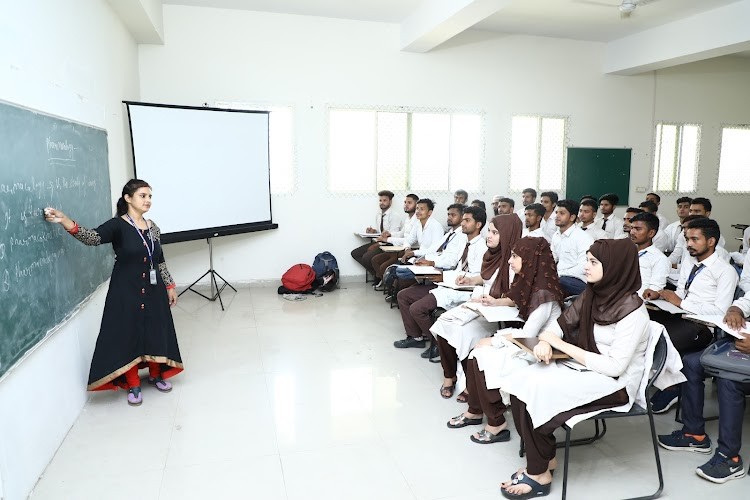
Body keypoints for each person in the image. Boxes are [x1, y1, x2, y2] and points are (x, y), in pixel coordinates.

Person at [500, 239, 650, 499]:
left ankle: (538, 473)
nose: (585, 268)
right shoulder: (592, 294)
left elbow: (615, 366)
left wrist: (561, 346)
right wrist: (547, 340)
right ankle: (546, 459)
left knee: (537, 389)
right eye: (587, 260)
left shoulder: (634, 312)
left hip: (616, 384)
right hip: (586, 368)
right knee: (519, 380)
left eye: (593, 262)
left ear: (615, 267)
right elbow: (558, 326)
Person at [44, 179, 183, 406]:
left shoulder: (153, 227)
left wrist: (169, 285)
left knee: (157, 328)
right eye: (143, 196)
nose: (148, 201)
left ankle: (156, 374)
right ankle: (133, 383)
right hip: (125, 290)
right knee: (126, 332)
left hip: (154, 289)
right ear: (128, 198)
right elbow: (92, 238)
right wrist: (64, 221)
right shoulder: (117, 225)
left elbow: (160, 259)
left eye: (150, 197)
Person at [444, 237, 563, 444]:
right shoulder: (532, 281)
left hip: (539, 350)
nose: (510, 261)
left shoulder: (544, 294)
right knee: (476, 354)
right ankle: (475, 411)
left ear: (530, 260)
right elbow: (516, 304)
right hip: (529, 342)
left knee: (484, 357)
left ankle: (496, 423)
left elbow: (528, 335)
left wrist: (495, 340)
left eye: (515, 256)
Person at [644, 218, 738, 413]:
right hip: (681, 316)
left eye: (695, 239)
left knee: (657, 340)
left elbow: (720, 311)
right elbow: (680, 293)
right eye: (687, 239)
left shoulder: (725, 271)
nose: (688, 244)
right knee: (642, 324)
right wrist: (660, 295)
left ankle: (671, 387)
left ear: (711, 242)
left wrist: (682, 303)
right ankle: (667, 383)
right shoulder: (689, 262)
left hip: (703, 327)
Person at [657, 291, 750, 484]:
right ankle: (694, 434)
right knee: (691, 363)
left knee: (729, 379)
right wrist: (735, 310)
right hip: (743, 347)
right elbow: (745, 301)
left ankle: (729, 458)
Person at [431, 214, 523, 402]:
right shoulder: (492, 254)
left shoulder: (516, 259)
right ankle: (450, 376)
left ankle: (470, 386)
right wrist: (470, 280)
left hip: (500, 313)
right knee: (443, 324)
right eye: (489, 231)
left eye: (495, 233)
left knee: (465, 334)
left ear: (507, 234)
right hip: (483, 305)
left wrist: (495, 301)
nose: (489, 236)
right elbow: (487, 277)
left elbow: (519, 297)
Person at [393, 207, 487, 358]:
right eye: (463, 220)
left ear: (478, 225)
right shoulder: (464, 242)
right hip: (448, 284)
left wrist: (443, 276)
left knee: (417, 308)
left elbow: (473, 277)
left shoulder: (482, 247)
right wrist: (433, 267)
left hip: (461, 291)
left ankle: (439, 344)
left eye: (467, 220)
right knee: (404, 295)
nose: (463, 223)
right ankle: (415, 337)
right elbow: (453, 263)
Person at [351, 190, 405, 275]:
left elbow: (393, 236)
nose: (382, 203)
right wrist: (374, 231)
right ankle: (377, 275)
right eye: (380, 200)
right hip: (380, 241)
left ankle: (379, 276)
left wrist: (378, 244)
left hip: (389, 244)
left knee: (366, 257)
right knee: (355, 253)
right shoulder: (379, 215)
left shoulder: (395, 216)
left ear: (390, 202)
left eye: (384, 200)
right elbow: (382, 232)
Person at [371, 194, 419, 289]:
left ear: (416, 205)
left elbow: (409, 240)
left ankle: (391, 288)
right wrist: (390, 234)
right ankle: (387, 285)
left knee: (384, 266)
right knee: (375, 260)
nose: (406, 205)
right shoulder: (408, 218)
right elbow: (402, 233)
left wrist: (388, 239)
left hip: (409, 250)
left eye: (409, 203)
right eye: (405, 202)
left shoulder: (417, 220)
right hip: (399, 247)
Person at [550, 199, 593, 297]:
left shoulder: (583, 237)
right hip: (559, 278)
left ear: (572, 217)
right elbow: (552, 258)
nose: (557, 216)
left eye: (562, 213)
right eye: (556, 212)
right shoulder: (556, 235)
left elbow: (584, 266)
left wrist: (558, 274)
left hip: (578, 280)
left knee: (555, 282)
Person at [629, 212, 670, 298]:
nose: (632, 232)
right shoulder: (626, 252)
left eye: (638, 229)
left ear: (651, 233)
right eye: (632, 228)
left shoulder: (659, 259)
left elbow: (654, 291)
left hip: (638, 303)